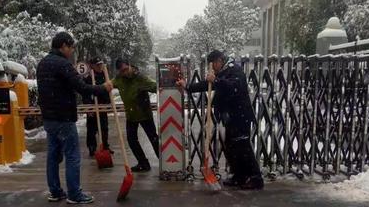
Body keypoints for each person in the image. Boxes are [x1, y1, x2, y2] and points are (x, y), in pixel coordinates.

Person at [37, 32, 113, 204]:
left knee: (53, 155)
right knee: (72, 155)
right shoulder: (63, 64)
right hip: (63, 117)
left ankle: (55, 192)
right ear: (63, 45)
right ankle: (74, 194)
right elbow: (82, 88)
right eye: (71, 47)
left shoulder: (42, 63)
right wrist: (103, 88)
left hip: (49, 118)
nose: (72, 51)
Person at [178, 50, 264, 190]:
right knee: (231, 148)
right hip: (230, 118)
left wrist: (216, 81)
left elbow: (234, 88)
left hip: (240, 116)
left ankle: (256, 178)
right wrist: (188, 86)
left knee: (243, 147)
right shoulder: (222, 73)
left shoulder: (235, 70)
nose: (212, 68)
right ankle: (239, 176)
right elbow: (207, 84)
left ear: (219, 61)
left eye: (212, 64)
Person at [112, 59, 159, 172]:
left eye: (126, 69)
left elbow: (155, 86)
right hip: (131, 115)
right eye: (122, 71)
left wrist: (163, 87)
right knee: (132, 140)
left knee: (153, 139)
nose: (125, 73)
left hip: (144, 114)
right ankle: (143, 163)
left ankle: (164, 162)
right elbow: (108, 85)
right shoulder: (119, 79)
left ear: (130, 66)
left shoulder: (140, 78)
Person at [84, 57, 113, 157]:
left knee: (104, 127)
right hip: (92, 105)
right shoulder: (88, 77)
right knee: (92, 128)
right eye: (97, 65)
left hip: (103, 105)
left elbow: (108, 89)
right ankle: (92, 147)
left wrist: (108, 101)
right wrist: (88, 107)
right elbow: (85, 93)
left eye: (101, 64)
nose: (100, 66)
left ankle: (105, 146)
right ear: (92, 65)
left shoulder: (104, 75)